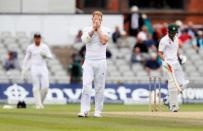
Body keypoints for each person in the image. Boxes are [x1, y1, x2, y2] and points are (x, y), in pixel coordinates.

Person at [78, 11, 111, 118]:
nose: (97, 21)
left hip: (101, 61)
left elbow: (104, 41)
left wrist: (98, 29)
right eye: (95, 19)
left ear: (101, 20)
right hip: (89, 61)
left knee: (99, 87)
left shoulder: (106, 30)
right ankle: (84, 110)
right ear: (92, 19)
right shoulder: (86, 29)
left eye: (99, 19)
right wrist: (93, 29)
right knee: (86, 85)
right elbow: (84, 40)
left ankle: (98, 111)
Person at [158, 24, 189, 112]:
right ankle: (173, 107)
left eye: (174, 32)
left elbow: (175, 50)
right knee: (172, 85)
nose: (173, 34)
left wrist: (180, 56)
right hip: (168, 64)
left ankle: (168, 99)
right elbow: (159, 53)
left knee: (183, 84)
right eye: (171, 32)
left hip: (176, 63)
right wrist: (166, 61)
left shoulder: (176, 38)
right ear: (168, 31)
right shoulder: (163, 40)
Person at [22, 34, 53, 109]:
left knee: (45, 87)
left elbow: (50, 56)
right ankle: (38, 104)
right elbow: (26, 58)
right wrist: (24, 68)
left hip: (43, 67)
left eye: (38, 38)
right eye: (36, 38)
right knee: (36, 86)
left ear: (40, 39)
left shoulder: (44, 47)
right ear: (34, 39)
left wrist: (45, 55)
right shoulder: (30, 47)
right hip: (34, 67)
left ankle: (40, 102)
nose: (37, 40)